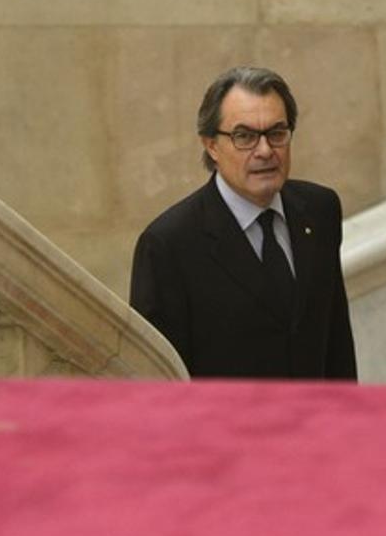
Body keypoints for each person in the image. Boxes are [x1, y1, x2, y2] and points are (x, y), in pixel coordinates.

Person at [129, 66, 358, 379]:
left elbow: (337, 346)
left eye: (277, 133)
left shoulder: (319, 211)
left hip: (317, 425)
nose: (265, 151)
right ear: (211, 145)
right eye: (244, 136)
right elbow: (158, 379)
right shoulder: (169, 244)